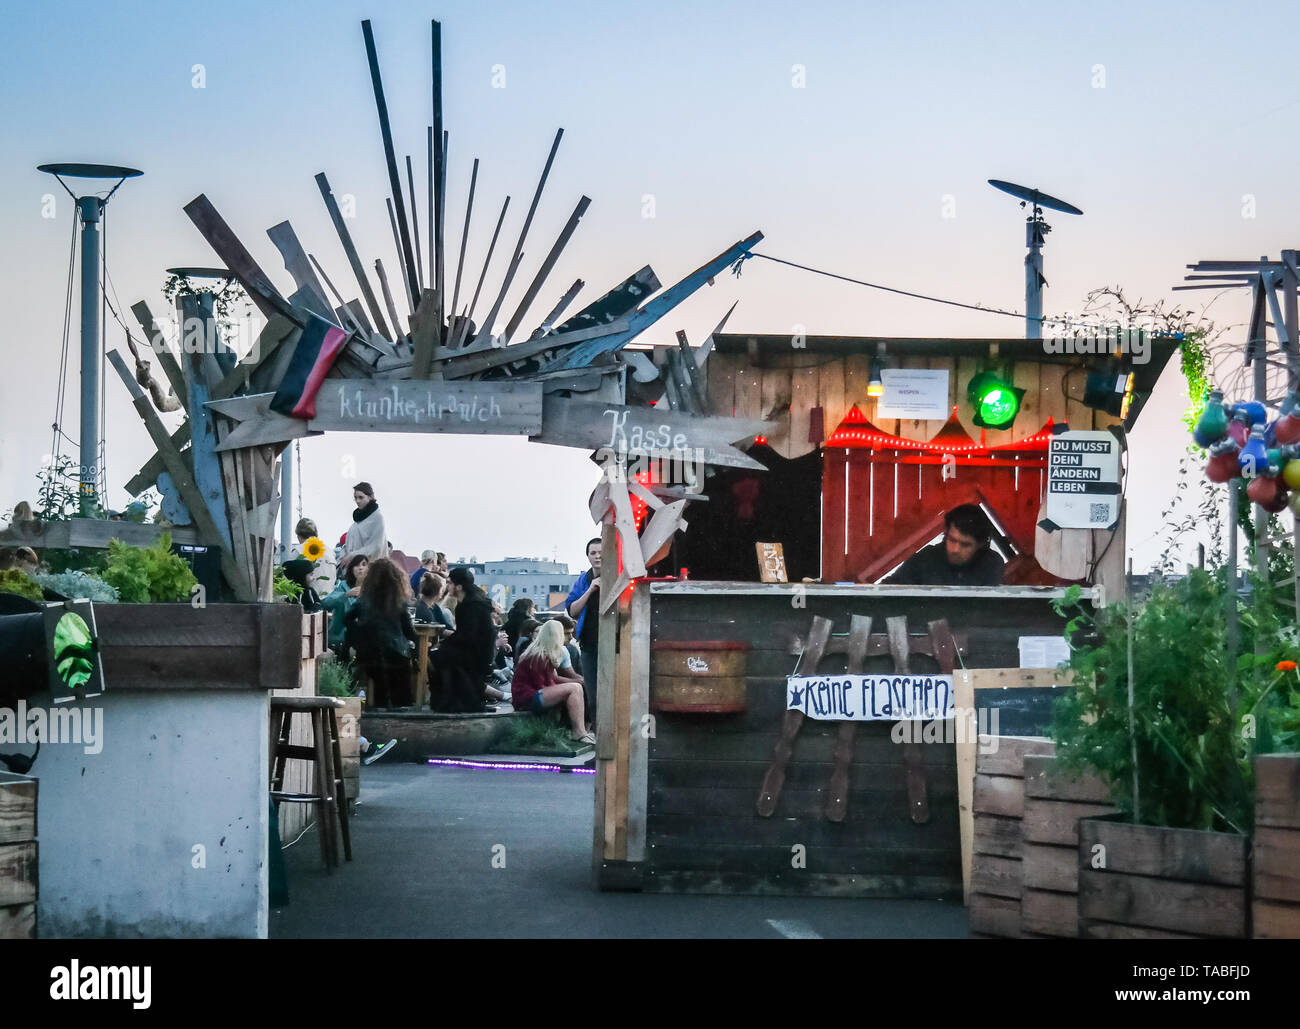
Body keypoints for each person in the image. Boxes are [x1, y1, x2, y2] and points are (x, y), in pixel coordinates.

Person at [865, 504, 1005, 586]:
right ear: (945, 534)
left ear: (980, 544)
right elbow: (888, 590)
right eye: (952, 540)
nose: (955, 549)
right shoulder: (927, 558)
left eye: (965, 545)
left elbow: (989, 613)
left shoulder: (991, 562)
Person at [343, 558, 416, 710]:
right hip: (395, 652)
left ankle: (380, 704)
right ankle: (401, 704)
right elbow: (408, 630)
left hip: (368, 653)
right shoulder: (398, 601)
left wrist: (359, 635)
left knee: (378, 675)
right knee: (402, 671)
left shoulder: (364, 600)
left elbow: (347, 619)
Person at [510, 620, 594, 745]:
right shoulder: (539, 656)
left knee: (575, 687)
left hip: (528, 696)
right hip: (527, 698)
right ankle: (579, 732)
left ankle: (580, 731)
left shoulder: (539, 653)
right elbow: (542, 684)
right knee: (575, 687)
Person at [430, 567, 498, 713]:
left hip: (476, 653)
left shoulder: (470, 606)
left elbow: (467, 635)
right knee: (441, 654)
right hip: (477, 650)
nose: (447, 587)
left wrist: (444, 643)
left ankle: (448, 702)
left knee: (437, 656)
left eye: (449, 583)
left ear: (459, 586)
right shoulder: (471, 602)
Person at [565, 537, 602, 725]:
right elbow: (572, 610)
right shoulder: (584, 580)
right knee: (593, 693)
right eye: (593, 553)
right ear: (588, 556)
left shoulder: (618, 576)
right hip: (589, 643)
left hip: (614, 643)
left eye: (601, 552)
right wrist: (591, 590)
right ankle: (597, 733)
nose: (597, 556)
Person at [322, 554, 369, 655]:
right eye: (356, 565)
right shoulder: (343, 586)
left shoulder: (373, 589)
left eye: (364, 564)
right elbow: (326, 603)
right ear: (351, 569)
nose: (360, 568)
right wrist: (345, 595)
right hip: (341, 638)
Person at [339, 482, 389, 563]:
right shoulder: (357, 520)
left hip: (372, 568)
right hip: (355, 568)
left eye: (361, 497)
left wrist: (352, 556)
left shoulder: (377, 518)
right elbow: (349, 543)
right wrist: (343, 554)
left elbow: (376, 547)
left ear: (370, 497)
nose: (357, 501)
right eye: (355, 498)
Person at [289, 517, 336, 594]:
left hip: (310, 601)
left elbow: (289, 580)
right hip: (329, 600)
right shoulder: (330, 552)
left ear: (299, 536)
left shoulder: (298, 551)